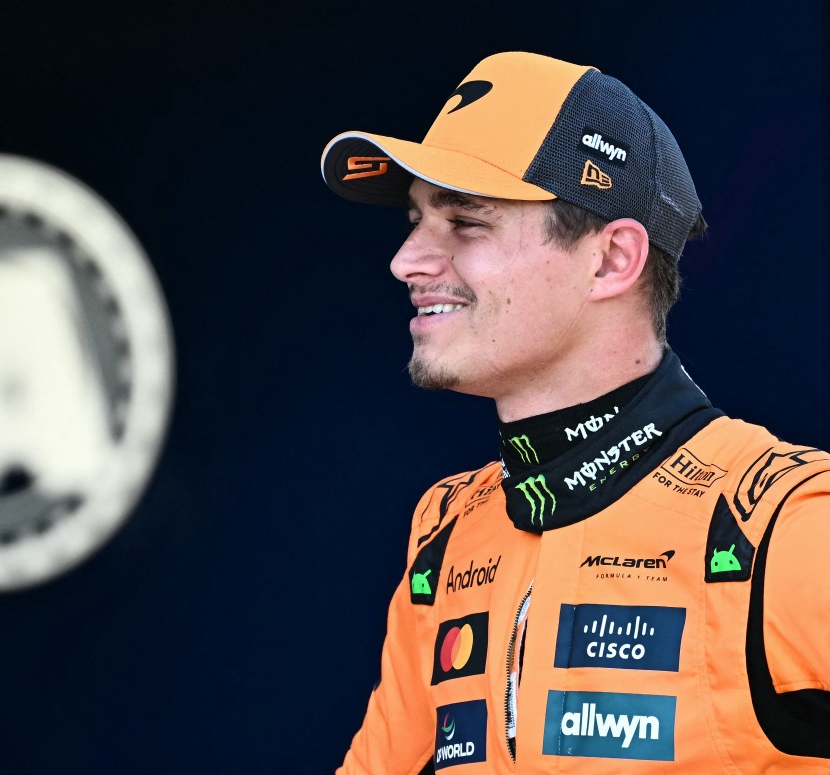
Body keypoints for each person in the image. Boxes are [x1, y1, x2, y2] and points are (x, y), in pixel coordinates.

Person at [320, 51, 830, 773]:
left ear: (612, 260)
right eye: (415, 220)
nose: (407, 260)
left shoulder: (786, 524)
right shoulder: (448, 530)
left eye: (466, 222)